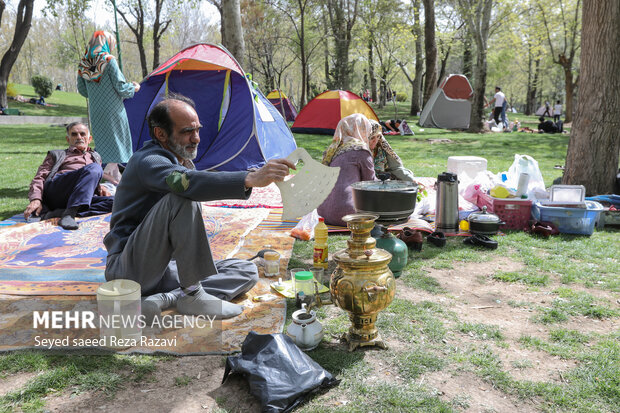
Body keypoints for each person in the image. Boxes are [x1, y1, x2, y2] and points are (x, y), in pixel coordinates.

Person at [103, 94, 295, 320]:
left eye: (197, 130)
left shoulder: (179, 160)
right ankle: (192, 294)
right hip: (130, 272)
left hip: (165, 270)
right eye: (186, 131)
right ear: (160, 134)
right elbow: (185, 183)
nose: (196, 138)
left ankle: (166, 298)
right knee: (181, 197)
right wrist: (249, 178)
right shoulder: (148, 161)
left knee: (245, 270)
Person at [24, 122, 113, 229]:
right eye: (74, 134)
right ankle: (70, 213)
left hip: (80, 197)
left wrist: (98, 187)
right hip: (59, 191)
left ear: (89, 139)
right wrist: (36, 199)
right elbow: (39, 177)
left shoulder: (95, 157)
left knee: (119, 202)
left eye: (82, 134)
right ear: (68, 139)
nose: (79, 137)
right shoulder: (57, 155)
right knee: (94, 168)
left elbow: (90, 178)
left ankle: (61, 213)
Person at [77, 31, 140, 177]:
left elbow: (82, 90)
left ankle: (114, 178)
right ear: (107, 43)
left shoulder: (83, 64)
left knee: (106, 144)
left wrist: (95, 93)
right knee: (118, 144)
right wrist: (134, 87)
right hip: (113, 110)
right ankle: (108, 175)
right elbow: (121, 87)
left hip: (96, 111)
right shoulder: (109, 60)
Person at [317, 113, 376, 226]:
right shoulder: (361, 150)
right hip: (346, 214)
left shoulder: (332, 150)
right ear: (363, 130)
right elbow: (371, 184)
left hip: (322, 213)